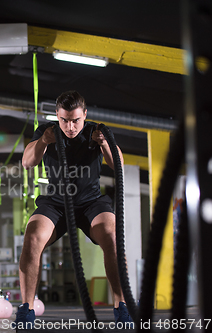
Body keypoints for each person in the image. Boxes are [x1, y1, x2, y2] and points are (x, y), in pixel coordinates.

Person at [15, 91, 132, 329]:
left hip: (91, 203)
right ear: (57, 116)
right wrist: (44, 142)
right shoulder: (46, 132)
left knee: (112, 237)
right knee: (33, 235)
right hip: (56, 202)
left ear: (85, 115)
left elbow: (118, 163)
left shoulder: (95, 131)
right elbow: (27, 162)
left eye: (75, 120)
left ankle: (122, 306)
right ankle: (26, 309)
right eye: (64, 120)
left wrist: (104, 143)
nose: (70, 126)